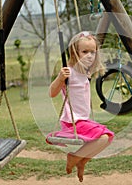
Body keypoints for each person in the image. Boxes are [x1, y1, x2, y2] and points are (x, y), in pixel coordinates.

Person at [46, 31, 114, 182]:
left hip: (83, 120)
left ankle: (82, 161)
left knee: (108, 138)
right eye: (85, 52)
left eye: (93, 52)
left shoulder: (85, 71)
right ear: (74, 52)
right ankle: (74, 157)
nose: (90, 55)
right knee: (104, 137)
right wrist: (59, 78)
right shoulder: (68, 72)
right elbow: (52, 93)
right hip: (73, 122)